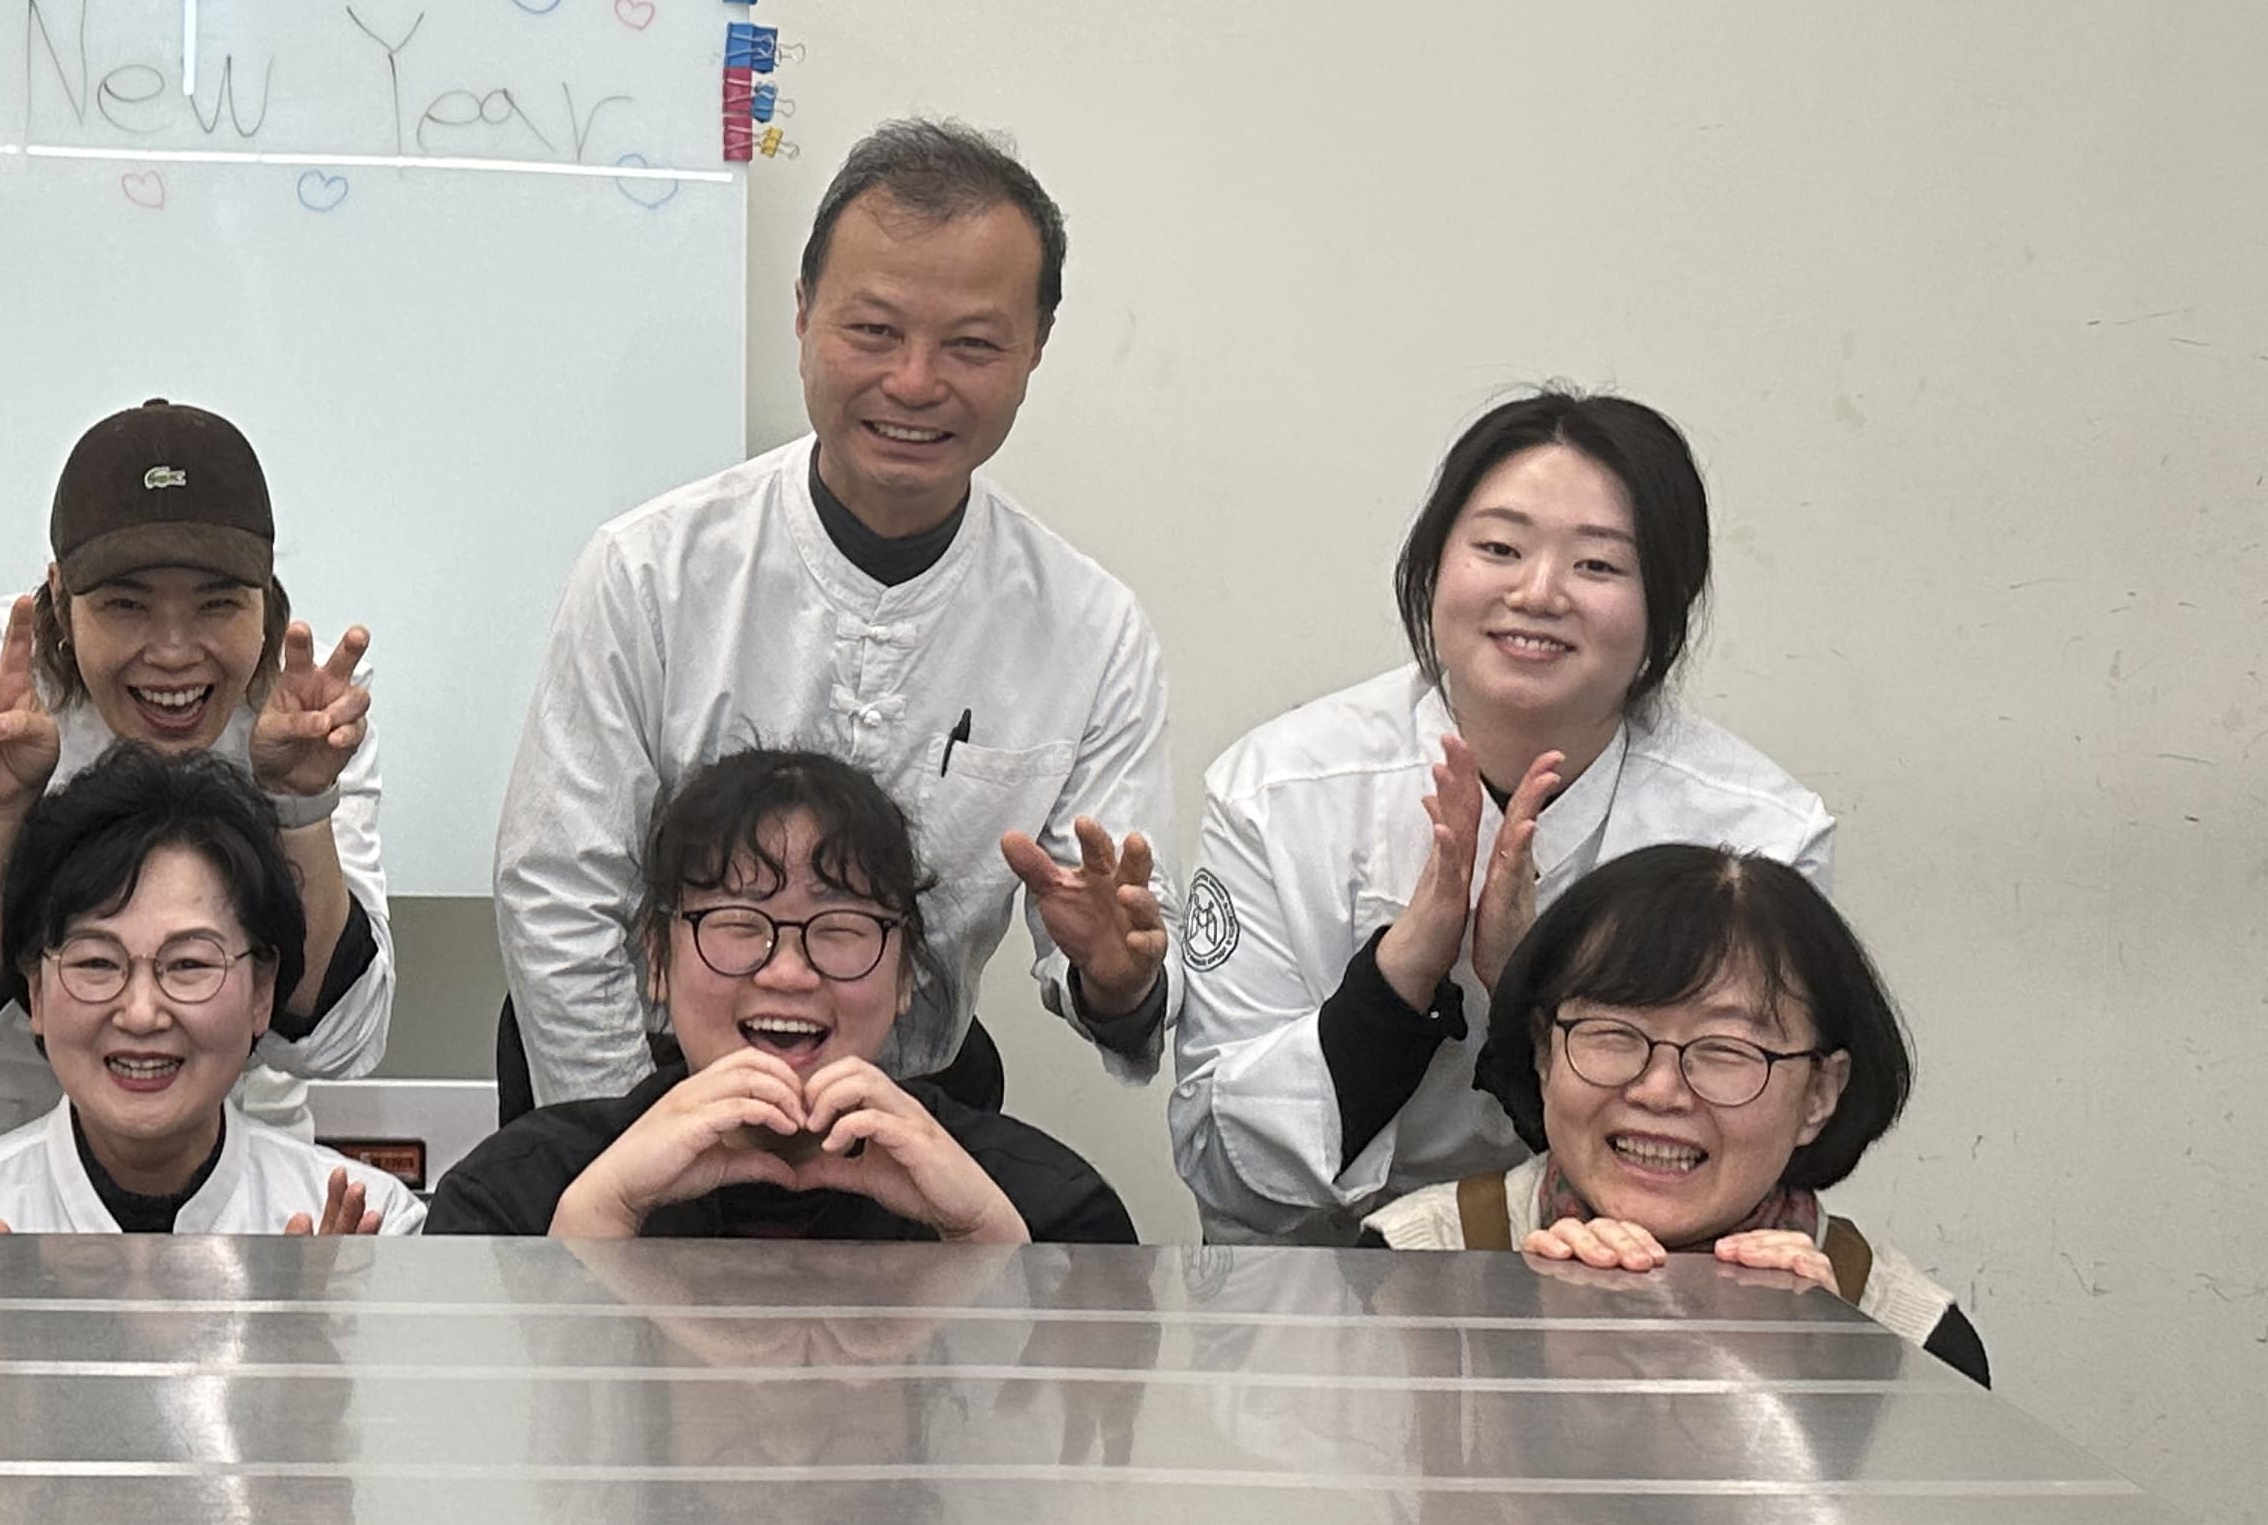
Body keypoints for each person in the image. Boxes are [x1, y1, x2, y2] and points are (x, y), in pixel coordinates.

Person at [495, 118, 1174, 1118]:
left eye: (972, 344)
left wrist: (1118, 980)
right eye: (873, 331)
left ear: (1034, 350)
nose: (914, 382)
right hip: (641, 1084)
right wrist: (640, 1153)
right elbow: (559, 893)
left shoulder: (1091, 633)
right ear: (804, 313)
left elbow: (1116, 943)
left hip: (905, 1101)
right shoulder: (648, 572)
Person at [1173, 391, 1832, 1242]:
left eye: (1597, 566)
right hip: (1322, 1277)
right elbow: (1224, 1167)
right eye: (1499, 549)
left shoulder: (1755, 836)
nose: (1538, 592)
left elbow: (1752, 1157)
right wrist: (1399, 978)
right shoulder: (1278, 790)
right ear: (1433, 563)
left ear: (1665, 602)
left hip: (1633, 1273)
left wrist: (1529, 990)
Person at [0, 399, 389, 1199]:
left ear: (265, 596)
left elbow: (332, 1040)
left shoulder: (309, 707)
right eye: (126, 604)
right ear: (60, 598)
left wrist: (298, 803)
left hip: (199, 1144)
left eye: (217, 603)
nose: (173, 651)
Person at [434, 750, 1134, 1241]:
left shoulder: (1053, 1208)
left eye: (842, 929)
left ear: (906, 977)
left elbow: (1089, 1408)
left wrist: (987, 1243)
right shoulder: (509, 1196)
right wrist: (599, 1220)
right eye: (738, 924)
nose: (790, 973)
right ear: (657, 962)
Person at [1361, 843, 1985, 1384]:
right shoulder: (1402, 1270)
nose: (1660, 1091)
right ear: (1546, 1053)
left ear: (1820, 1092)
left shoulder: (1909, 1342)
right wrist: (1527, 1365)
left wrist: (1806, 1404)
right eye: (1613, 1033)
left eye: (1726, 1050)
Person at [0, 749, 422, 1237]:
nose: (141, 1013)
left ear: (262, 992)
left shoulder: (366, 1231)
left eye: (188, 964)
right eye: (96, 962)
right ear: (35, 990)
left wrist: (320, 1336)